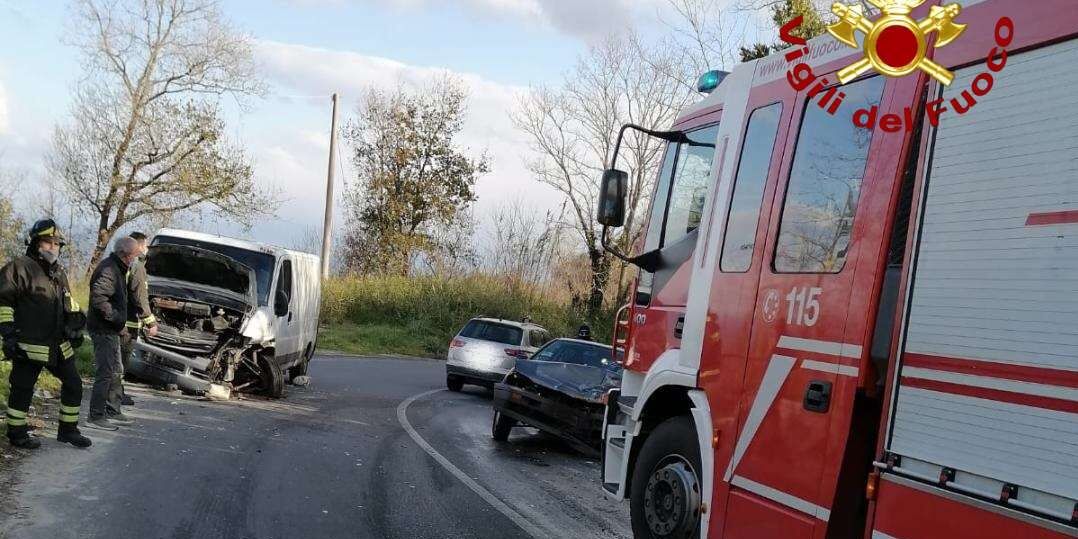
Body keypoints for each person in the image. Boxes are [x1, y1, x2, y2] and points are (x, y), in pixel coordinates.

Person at [0, 219, 92, 448]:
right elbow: (3, 303)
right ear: (35, 243)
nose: (53, 247)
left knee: (73, 384)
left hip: (58, 344)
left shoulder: (58, 273)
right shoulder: (18, 268)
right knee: (22, 389)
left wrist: (76, 326)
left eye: (57, 244)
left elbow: (69, 304)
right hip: (28, 344)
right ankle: (17, 434)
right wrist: (8, 335)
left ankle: (68, 430)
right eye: (48, 242)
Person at [86, 236, 140, 431]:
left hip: (111, 329)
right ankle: (95, 416)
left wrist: (119, 323)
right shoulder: (109, 270)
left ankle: (112, 410)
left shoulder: (117, 269)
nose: (135, 259)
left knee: (116, 370)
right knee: (106, 373)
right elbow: (99, 299)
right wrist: (117, 319)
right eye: (134, 255)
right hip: (103, 330)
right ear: (125, 254)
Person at [116, 232, 157, 408]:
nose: (146, 249)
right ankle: (115, 396)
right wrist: (151, 322)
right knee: (121, 362)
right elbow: (140, 297)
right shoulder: (138, 267)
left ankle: (117, 393)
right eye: (145, 245)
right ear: (139, 246)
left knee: (118, 361)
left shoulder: (126, 264)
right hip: (128, 323)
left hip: (121, 320)